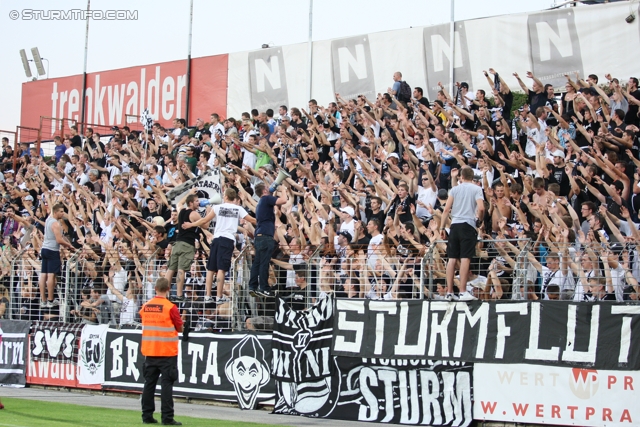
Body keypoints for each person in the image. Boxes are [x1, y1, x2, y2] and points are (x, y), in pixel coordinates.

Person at [182, 188, 256, 304]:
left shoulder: (217, 207)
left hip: (216, 238)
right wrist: (264, 221)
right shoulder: (238, 208)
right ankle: (219, 296)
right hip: (228, 240)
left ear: (225, 197)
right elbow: (251, 219)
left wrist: (191, 224)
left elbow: (204, 220)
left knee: (211, 268)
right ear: (234, 198)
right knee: (221, 268)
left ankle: (207, 295)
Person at [140, 277, 183, 426]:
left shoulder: (146, 306)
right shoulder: (170, 307)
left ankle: (146, 416)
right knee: (166, 385)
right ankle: (167, 418)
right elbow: (179, 326)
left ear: (155, 289)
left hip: (150, 351)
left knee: (149, 384)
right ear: (168, 289)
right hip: (167, 352)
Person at [439, 167, 484, 301]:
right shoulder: (476, 189)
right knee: (465, 258)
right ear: (472, 177)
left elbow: (446, 209)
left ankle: (449, 292)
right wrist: (479, 220)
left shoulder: (454, 189)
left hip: (454, 225)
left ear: (461, 177)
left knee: (452, 259)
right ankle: (463, 291)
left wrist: (442, 227)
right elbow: (481, 207)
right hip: (468, 224)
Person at [247, 183, 287, 297]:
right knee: (264, 263)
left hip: (259, 236)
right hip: (266, 236)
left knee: (257, 262)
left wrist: (274, 192)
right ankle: (264, 287)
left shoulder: (261, 202)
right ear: (265, 190)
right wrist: (283, 189)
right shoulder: (266, 199)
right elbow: (283, 200)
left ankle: (253, 286)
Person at [165, 194, 200, 302]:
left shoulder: (181, 211)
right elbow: (206, 225)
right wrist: (208, 211)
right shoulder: (194, 213)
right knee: (181, 270)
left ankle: (165, 294)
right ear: (191, 203)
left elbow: (179, 203)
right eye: (196, 201)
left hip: (177, 243)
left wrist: (190, 193)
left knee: (171, 269)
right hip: (187, 244)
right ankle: (179, 295)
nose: (199, 203)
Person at [39, 204, 75, 308]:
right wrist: (69, 246)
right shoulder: (55, 223)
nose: (62, 213)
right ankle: (50, 300)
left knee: (43, 274)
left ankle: (43, 300)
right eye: (61, 211)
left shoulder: (48, 220)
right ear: (55, 212)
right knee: (51, 275)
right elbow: (59, 240)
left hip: (44, 248)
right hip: (52, 250)